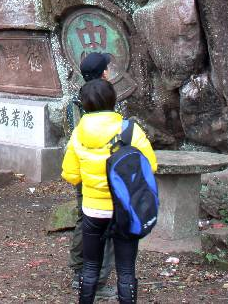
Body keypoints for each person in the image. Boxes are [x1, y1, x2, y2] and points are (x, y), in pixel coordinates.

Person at [62, 79, 157, 304]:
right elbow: (150, 166)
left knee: (91, 265)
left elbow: (70, 174)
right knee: (125, 270)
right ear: (114, 100)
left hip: (93, 210)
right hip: (124, 209)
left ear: (85, 104)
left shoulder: (78, 133)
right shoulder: (130, 130)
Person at [69, 52, 116, 297]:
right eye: (108, 67)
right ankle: (95, 281)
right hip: (105, 175)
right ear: (104, 72)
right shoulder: (101, 95)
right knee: (105, 228)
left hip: (82, 169)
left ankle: (80, 272)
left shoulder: (81, 97)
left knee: (84, 221)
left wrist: (76, 175)